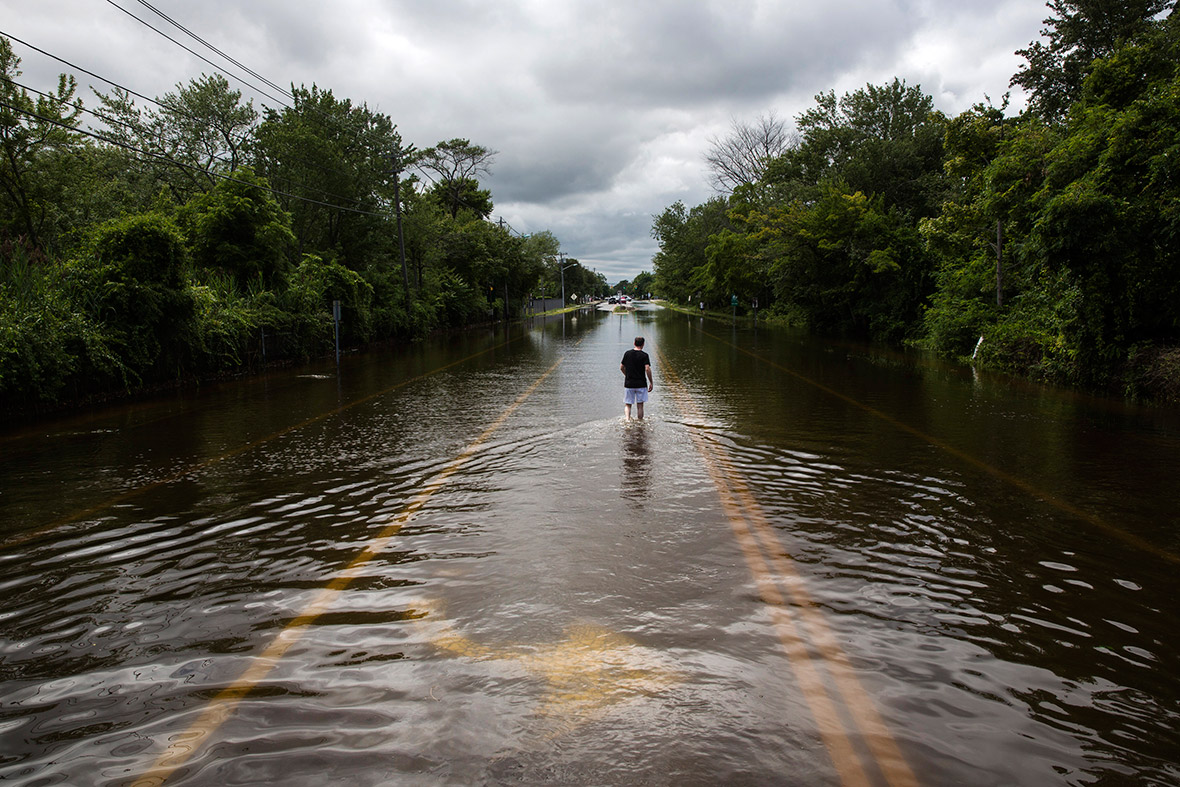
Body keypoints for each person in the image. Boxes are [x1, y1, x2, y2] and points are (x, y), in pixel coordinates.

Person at [620, 336, 653, 420]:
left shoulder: (627, 353)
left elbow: (621, 367)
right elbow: (647, 368)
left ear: (634, 343)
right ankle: (640, 422)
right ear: (643, 344)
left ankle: (627, 420)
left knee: (628, 404)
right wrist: (651, 382)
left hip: (629, 383)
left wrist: (627, 375)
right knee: (640, 406)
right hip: (641, 383)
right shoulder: (645, 355)